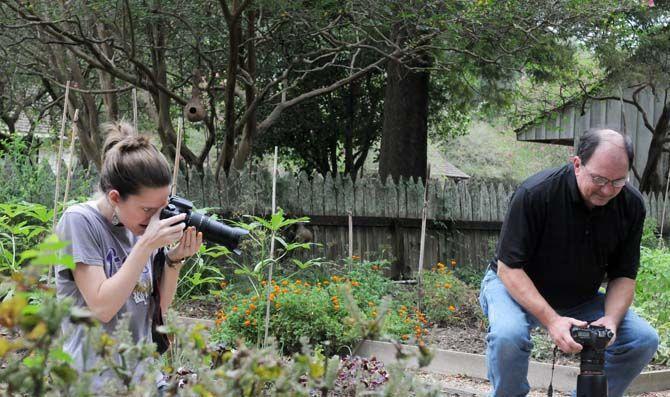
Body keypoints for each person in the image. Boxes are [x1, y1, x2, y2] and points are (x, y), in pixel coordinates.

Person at [479, 128, 659, 396]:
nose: (608, 190)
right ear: (577, 164)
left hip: (580, 297)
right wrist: (553, 321)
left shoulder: (631, 205)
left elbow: (624, 275)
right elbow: (509, 268)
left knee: (643, 340)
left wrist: (610, 319)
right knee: (508, 336)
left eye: (618, 181)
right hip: (512, 287)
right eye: (599, 179)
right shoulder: (536, 193)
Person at [55, 121, 203, 390]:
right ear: (115, 197)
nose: (156, 217)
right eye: (147, 209)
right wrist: (146, 245)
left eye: (162, 208)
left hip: (144, 378)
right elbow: (102, 307)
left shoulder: (142, 226)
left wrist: (174, 260)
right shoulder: (79, 221)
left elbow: (156, 310)